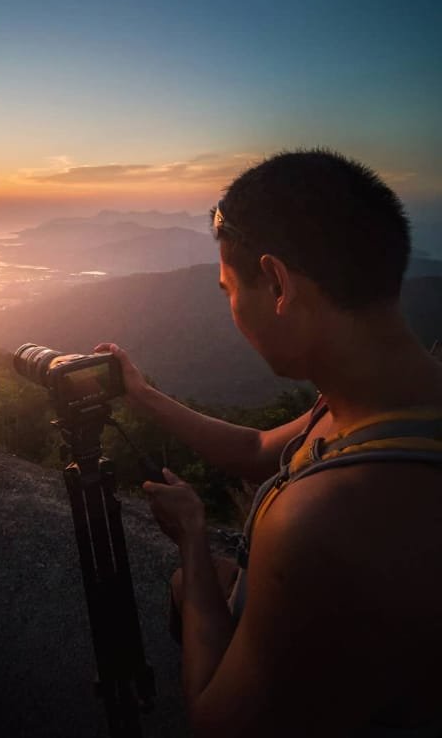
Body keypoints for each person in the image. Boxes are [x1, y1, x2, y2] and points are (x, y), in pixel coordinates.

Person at [95, 149, 442, 737]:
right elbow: (260, 451)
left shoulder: (327, 519)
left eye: (229, 288)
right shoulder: (375, 400)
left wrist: (194, 541)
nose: (230, 306)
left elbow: (216, 722)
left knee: (196, 584)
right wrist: (141, 394)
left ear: (277, 282)